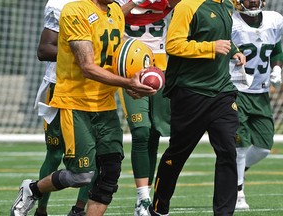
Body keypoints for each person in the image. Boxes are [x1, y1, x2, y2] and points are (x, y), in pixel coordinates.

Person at [10, 0, 157, 215]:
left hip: (105, 102)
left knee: (109, 171)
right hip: (75, 102)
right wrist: (127, 83)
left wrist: (135, 74)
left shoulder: (115, 11)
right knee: (82, 175)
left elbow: (120, 51)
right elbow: (87, 67)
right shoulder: (75, 11)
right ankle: (32, 189)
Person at [147, 0, 246, 215]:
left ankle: (223, 213)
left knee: (228, 150)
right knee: (178, 153)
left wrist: (234, 51)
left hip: (222, 92)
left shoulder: (227, 5)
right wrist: (211, 48)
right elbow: (173, 44)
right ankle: (158, 207)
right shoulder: (187, 6)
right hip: (190, 92)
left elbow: (223, 38)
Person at [114, 0, 177, 215]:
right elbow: (110, 18)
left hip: (160, 66)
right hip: (130, 65)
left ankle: (146, 198)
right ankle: (142, 198)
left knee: (153, 134)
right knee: (140, 131)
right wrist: (135, 2)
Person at [34, 0, 92, 215]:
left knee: (96, 154)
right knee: (55, 152)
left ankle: (78, 210)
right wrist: (82, 53)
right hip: (60, 85)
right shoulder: (61, 4)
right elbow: (44, 49)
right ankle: (40, 208)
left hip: (94, 89)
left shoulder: (109, 6)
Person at [231, 0, 283, 210]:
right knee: (241, 143)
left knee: (263, 146)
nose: (253, 1)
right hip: (236, 90)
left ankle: (234, 173)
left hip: (260, 91)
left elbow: (277, 47)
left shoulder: (274, 20)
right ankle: (238, 192)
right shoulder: (230, 23)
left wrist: (277, 68)